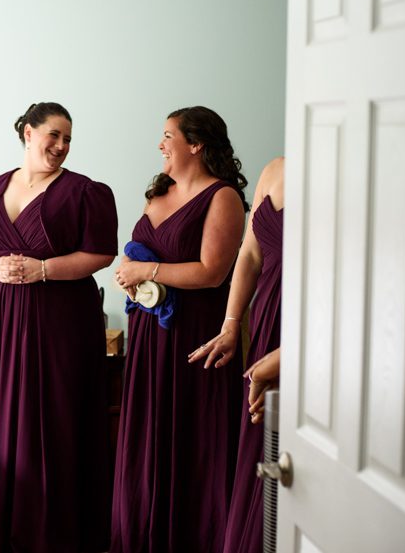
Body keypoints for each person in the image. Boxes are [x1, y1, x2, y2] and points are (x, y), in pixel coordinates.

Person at [0, 102, 118, 553]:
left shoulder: (86, 192)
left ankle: (60, 534)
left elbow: (101, 253)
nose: (62, 146)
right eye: (54, 135)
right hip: (3, 317)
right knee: (3, 418)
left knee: (57, 418)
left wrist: (42, 270)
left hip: (62, 319)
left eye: (68, 139)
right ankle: (8, 529)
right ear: (28, 133)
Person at [110, 106, 250, 553]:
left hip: (196, 334)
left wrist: (146, 270)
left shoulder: (222, 197)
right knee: (148, 434)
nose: (160, 144)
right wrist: (130, 277)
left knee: (194, 438)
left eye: (168, 135)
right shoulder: (158, 191)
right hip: (149, 332)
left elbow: (212, 271)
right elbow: (141, 258)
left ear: (196, 144)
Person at [189, 156, 284, 553]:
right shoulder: (275, 170)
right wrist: (231, 325)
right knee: (261, 447)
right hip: (266, 325)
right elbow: (250, 255)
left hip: (311, 328)